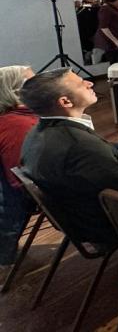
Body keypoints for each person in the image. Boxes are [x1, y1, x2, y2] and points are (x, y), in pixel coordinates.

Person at [20, 69, 118, 245]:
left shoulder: (36, 132)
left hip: (78, 214)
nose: (90, 83)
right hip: (106, 224)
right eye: (81, 83)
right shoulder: (79, 145)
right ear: (65, 101)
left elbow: (107, 157)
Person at [0, 66, 36, 269]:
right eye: (34, 83)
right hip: (12, 201)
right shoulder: (17, 125)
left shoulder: (11, 117)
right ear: (16, 93)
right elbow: (22, 181)